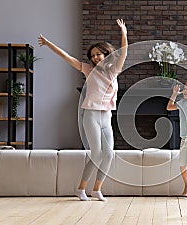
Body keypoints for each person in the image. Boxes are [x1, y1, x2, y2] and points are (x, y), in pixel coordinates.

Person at [38, 19, 127, 201]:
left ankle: (96, 189)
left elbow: (124, 53)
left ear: (106, 54)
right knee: (96, 153)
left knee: (109, 154)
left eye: (98, 54)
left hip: (106, 116)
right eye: (92, 55)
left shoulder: (114, 71)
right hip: (91, 116)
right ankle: (81, 189)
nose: (94, 58)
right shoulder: (88, 69)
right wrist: (48, 44)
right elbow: (66, 57)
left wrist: (124, 33)